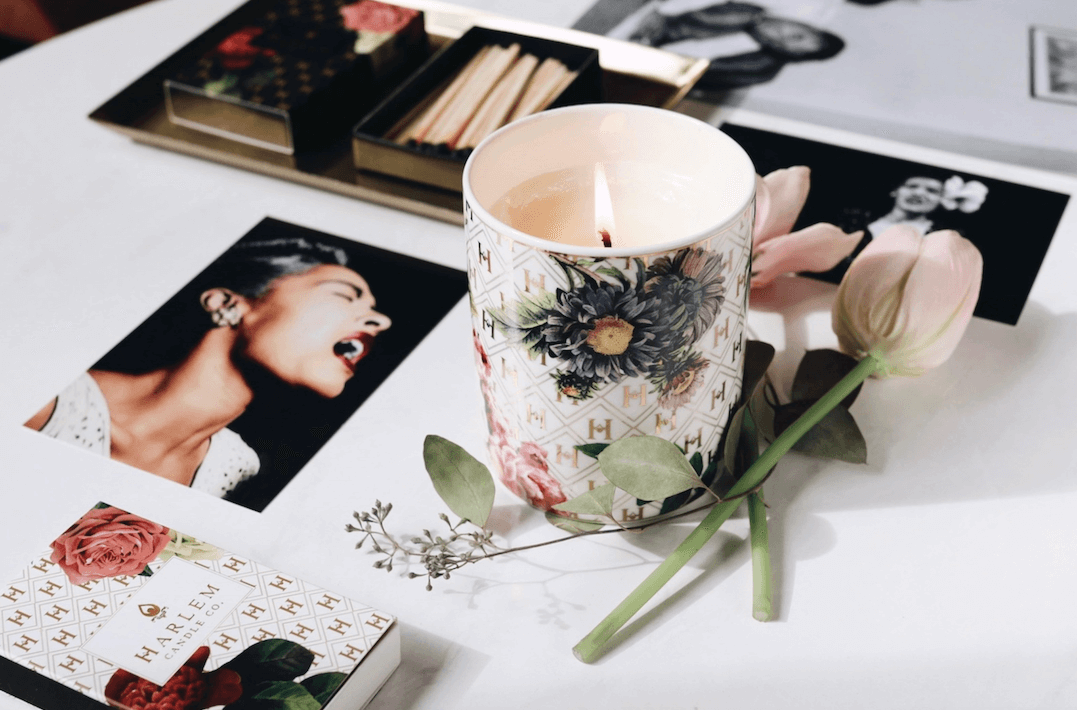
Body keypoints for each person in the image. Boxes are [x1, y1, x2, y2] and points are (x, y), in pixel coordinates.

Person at [24, 237, 392, 498]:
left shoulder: (235, 467)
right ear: (226, 303)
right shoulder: (49, 397)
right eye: (344, 296)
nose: (381, 321)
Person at [619, 1, 845, 89]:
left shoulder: (760, 69)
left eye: (791, 46)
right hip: (631, 27)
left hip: (640, 73)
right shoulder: (749, 9)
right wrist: (661, 13)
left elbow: (694, 83)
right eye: (798, 34)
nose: (783, 36)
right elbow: (663, 13)